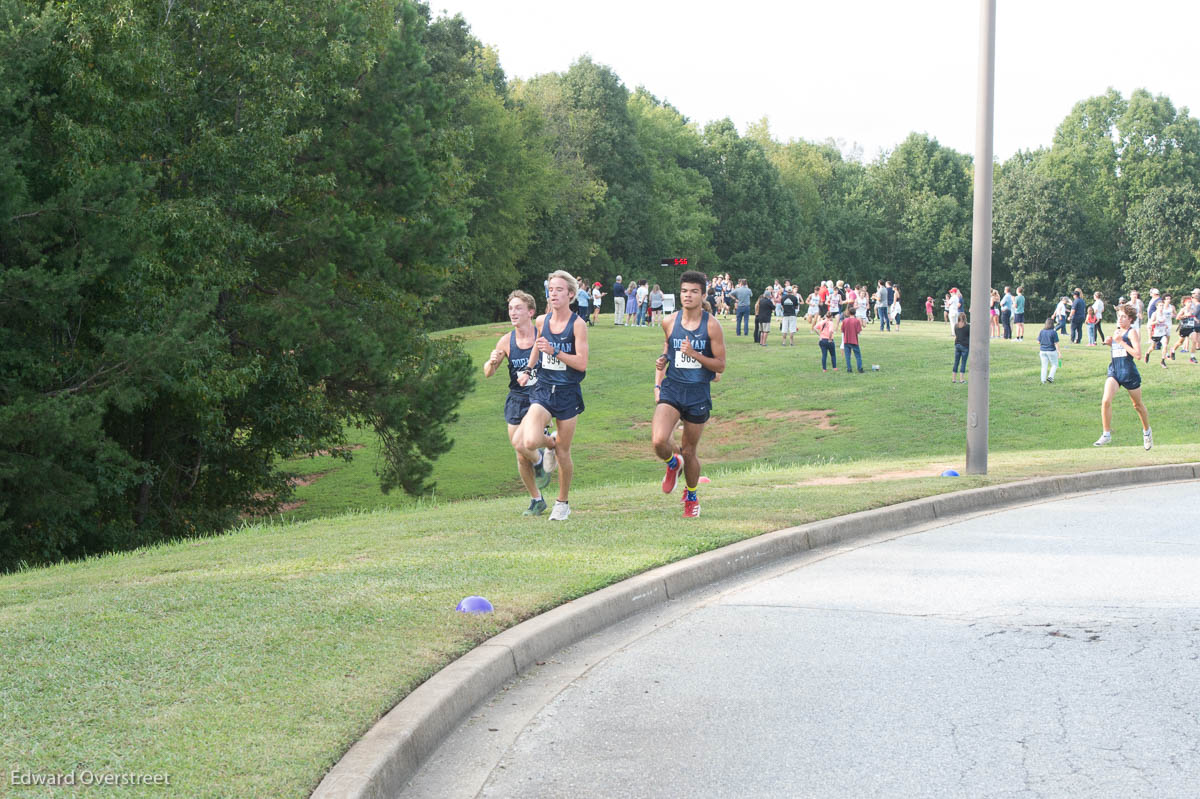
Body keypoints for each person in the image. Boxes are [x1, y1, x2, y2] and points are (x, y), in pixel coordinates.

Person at [514, 270, 590, 521]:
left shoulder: (577, 325)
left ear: (570, 294)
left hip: (568, 393)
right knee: (529, 441)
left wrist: (555, 350)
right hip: (544, 390)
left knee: (564, 453)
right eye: (550, 289)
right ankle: (550, 443)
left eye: (559, 289)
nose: (553, 293)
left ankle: (562, 503)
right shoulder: (542, 321)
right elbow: (538, 347)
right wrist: (528, 369)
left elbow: (581, 363)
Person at [653, 270, 726, 519]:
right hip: (672, 388)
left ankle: (692, 496)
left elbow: (720, 366)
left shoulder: (712, 326)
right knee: (658, 441)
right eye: (684, 291)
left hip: (697, 394)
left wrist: (695, 354)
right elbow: (668, 348)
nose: (688, 295)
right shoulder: (669, 322)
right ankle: (673, 465)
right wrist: (663, 361)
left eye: (694, 291)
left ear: (703, 294)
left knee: (689, 451)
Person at [484, 290, 552, 515]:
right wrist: (492, 362)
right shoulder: (506, 340)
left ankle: (542, 456)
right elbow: (488, 373)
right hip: (516, 398)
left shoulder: (541, 335)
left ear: (530, 312)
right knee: (520, 452)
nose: (513, 312)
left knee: (520, 442)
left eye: (518, 308)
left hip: (539, 396)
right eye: (511, 308)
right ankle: (537, 500)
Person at [1094, 304, 1151, 450]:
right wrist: (1110, 343)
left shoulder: (1132, 333)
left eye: (1123, 316)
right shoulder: (1117, 331)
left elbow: (1137, 355)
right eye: (1119, 316)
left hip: (1129, 373)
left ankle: (1147, 432)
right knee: (1106, 400)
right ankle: (1106, 434)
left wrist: (1120, 342)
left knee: (1137, 405)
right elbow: (1118, 350)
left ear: (1130, 319)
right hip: (1114, 371)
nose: (1120, 319)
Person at [1147, 294, 1173, 367]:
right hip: (1155, 334)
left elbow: (1165, 321)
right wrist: (1156, 322)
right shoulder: (1155, 314)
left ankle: (1162, 361)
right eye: (1160, 305)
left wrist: (1165, 325)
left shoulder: (1164, 314)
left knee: (1165, 345)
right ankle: (1147, 353)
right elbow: (1150, 323)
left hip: (1163, 334)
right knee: (1152, 348)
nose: (1161, 307)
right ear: (1157, 306)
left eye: (1162, 305)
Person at [1036, 317, 1062, 384]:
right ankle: (1050, 377)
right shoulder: (1053, 332)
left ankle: (1043, 380)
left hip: (1042, 351)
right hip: (1051, 351)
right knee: (1054, 365)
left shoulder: (1042, 331)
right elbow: (1056, 343)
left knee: (1044, 366)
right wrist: (1059, 353)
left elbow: (1038, 342)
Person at [952, 314, 969, 384]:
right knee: (963, 363)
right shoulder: (967, 327)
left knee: (956, 362)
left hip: (957, 345)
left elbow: (956, 334)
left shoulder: (956, 326)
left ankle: (954, 379)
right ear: (965, 318)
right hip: (965, 346)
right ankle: (961, 379)